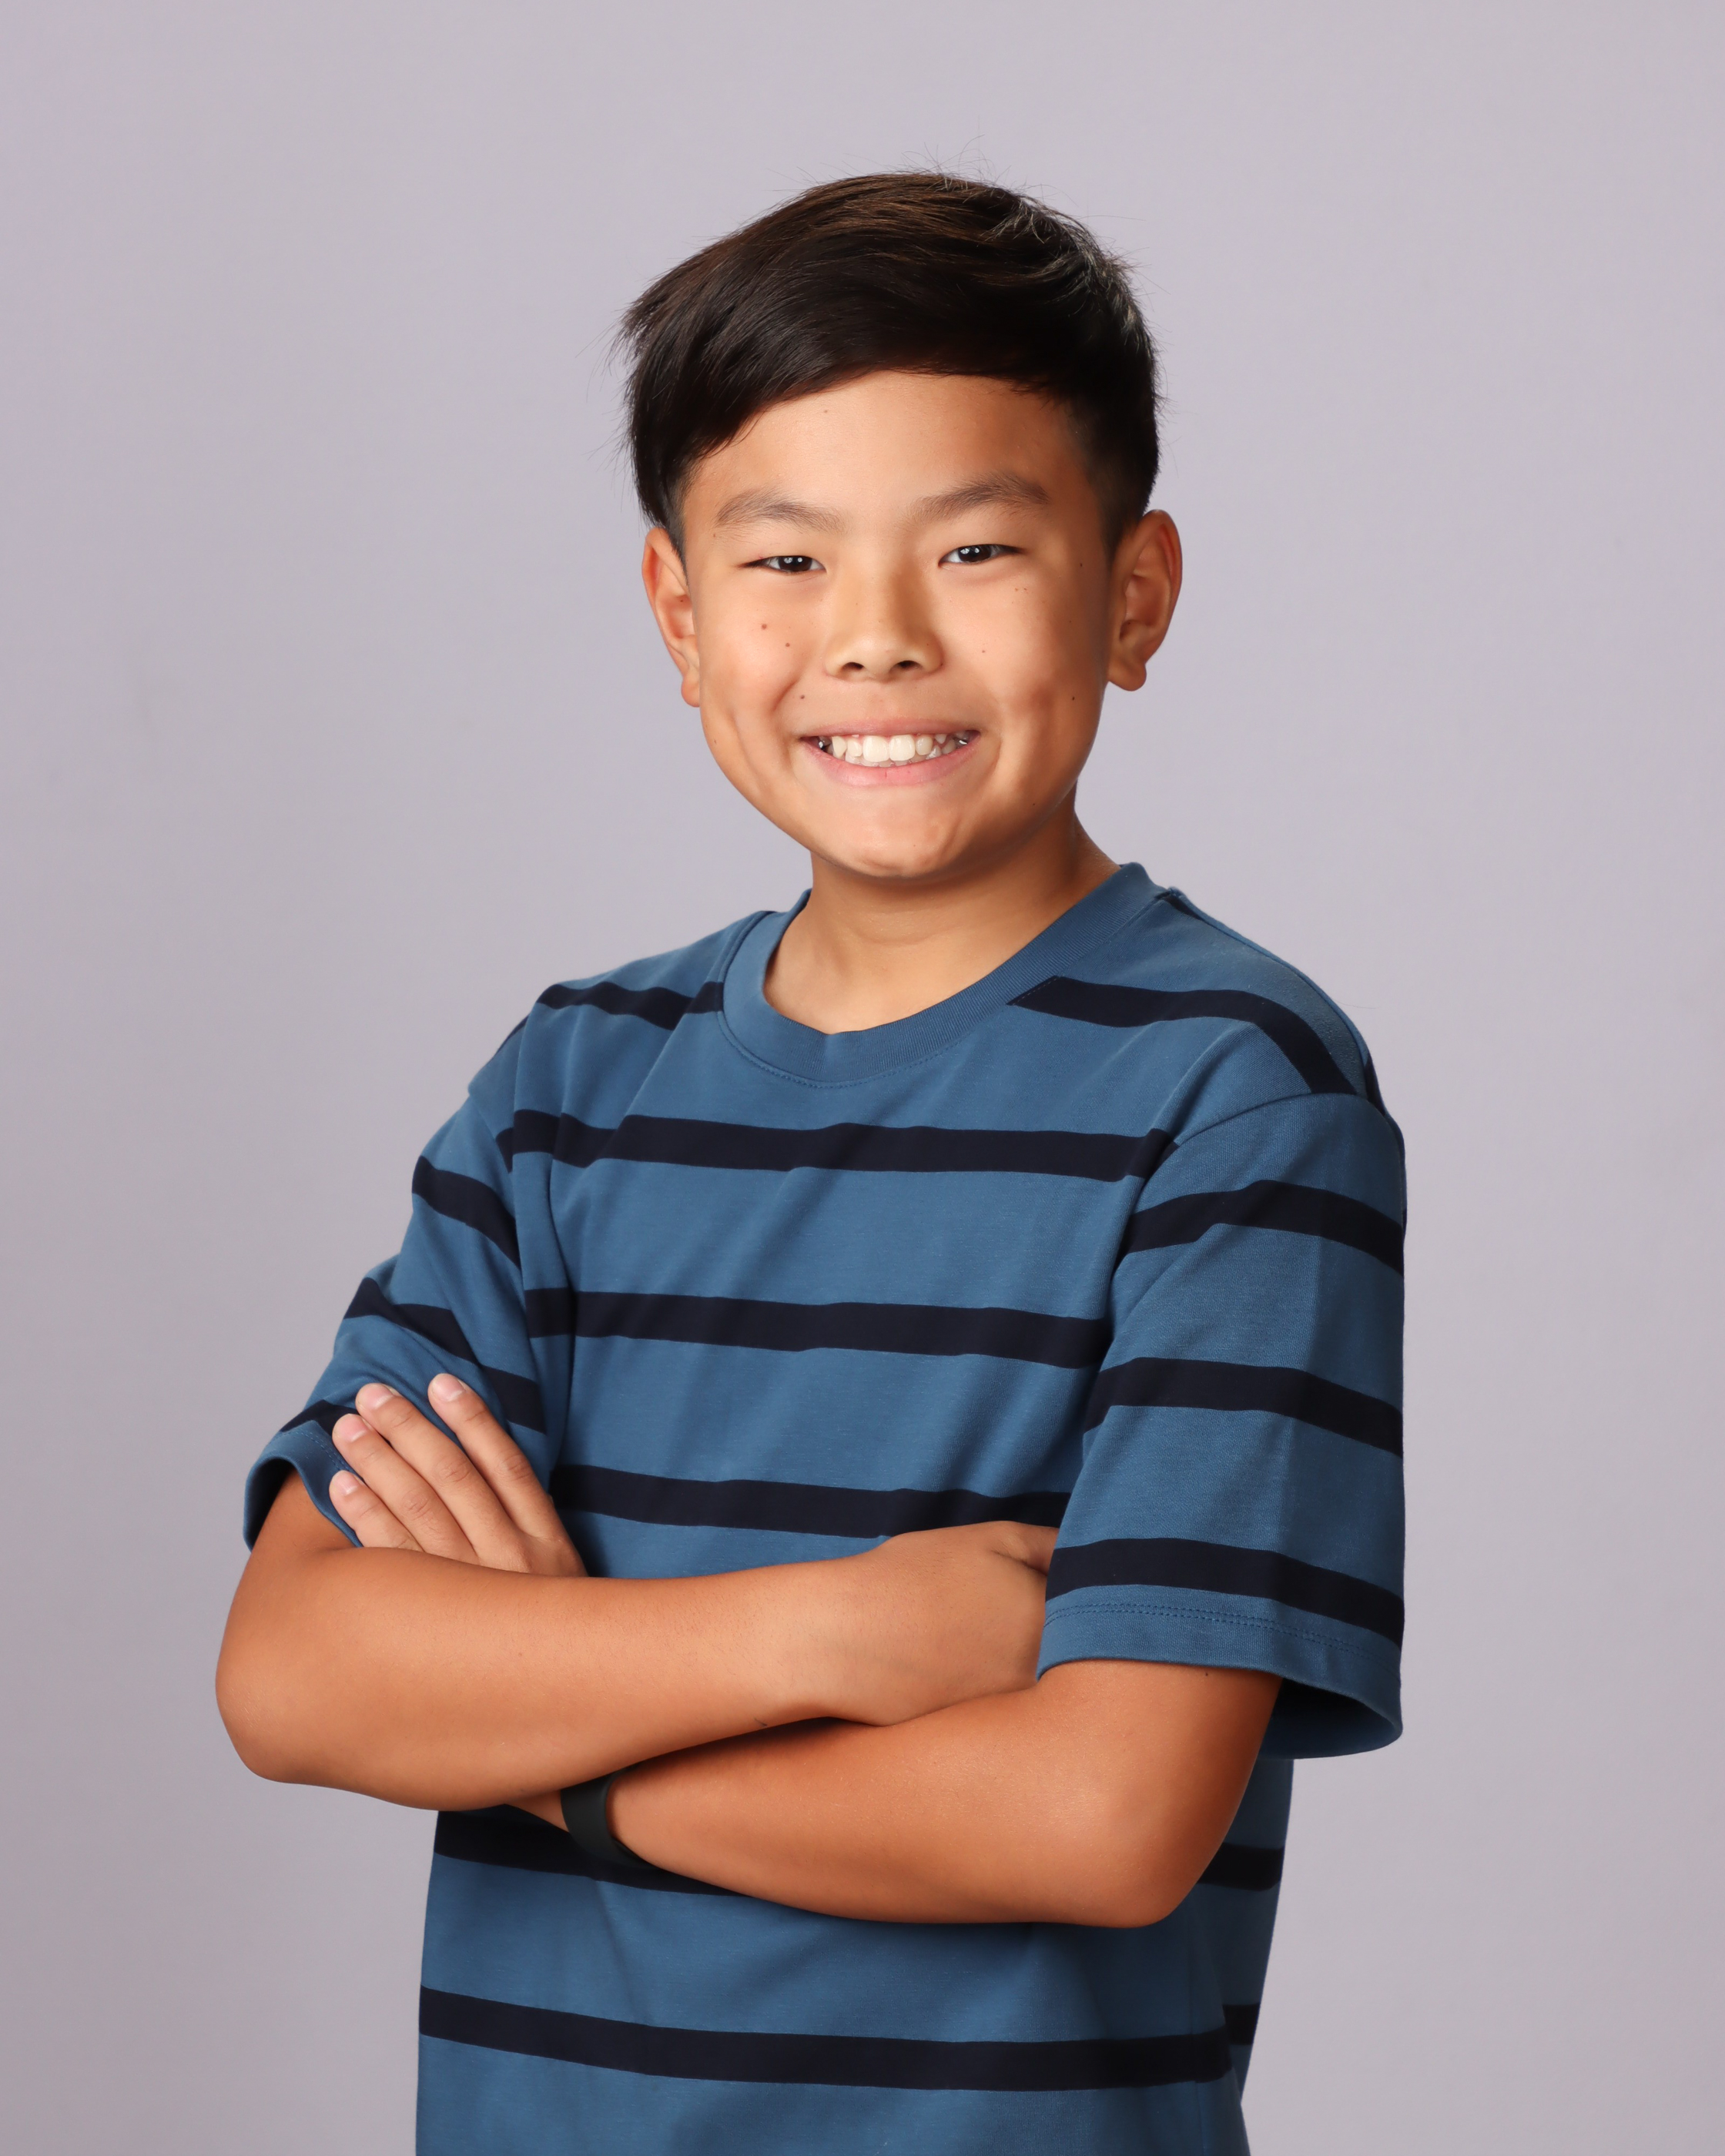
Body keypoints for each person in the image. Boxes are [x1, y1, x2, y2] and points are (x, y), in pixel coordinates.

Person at [217, 172, 1405, 2156]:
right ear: (681, 618)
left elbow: (1100, 1816)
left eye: (975, 548)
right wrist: (831, 1635)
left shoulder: (1237, 1091)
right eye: (785, 558)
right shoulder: (570, 1086)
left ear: (1134, 593)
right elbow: (297, 1672)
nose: (872, 639)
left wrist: (554, 1741)